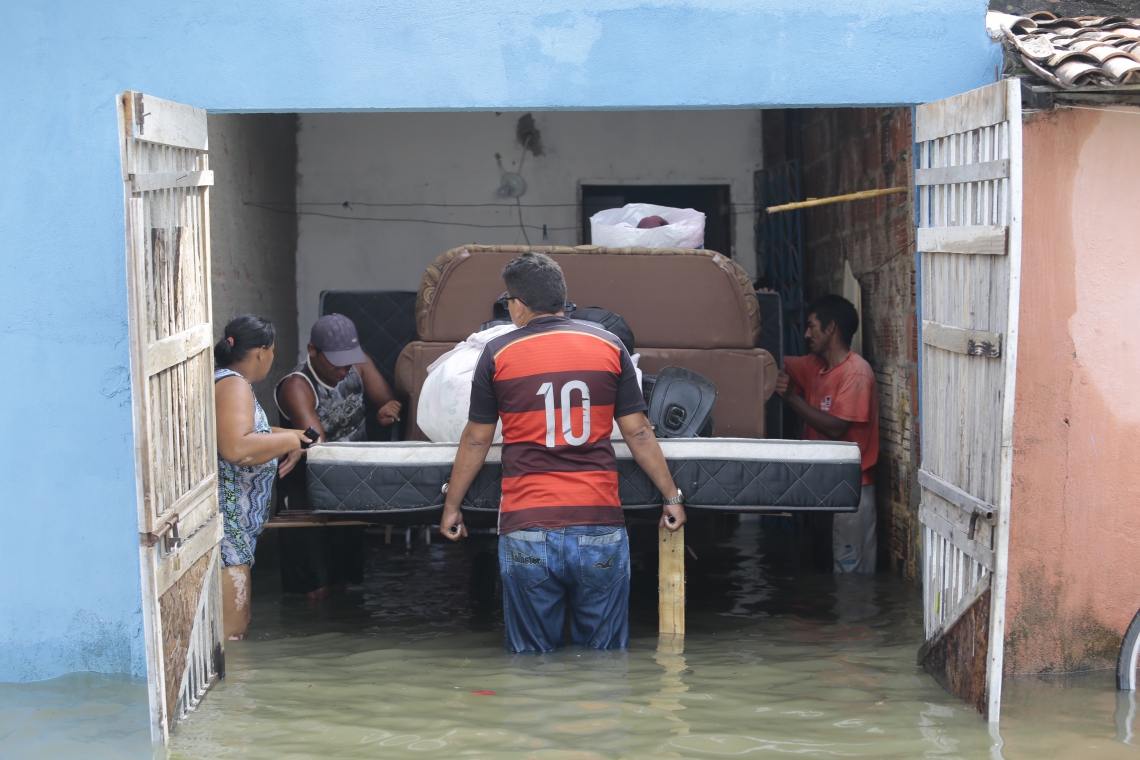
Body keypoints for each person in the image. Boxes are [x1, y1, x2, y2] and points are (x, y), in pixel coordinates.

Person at [440, 252, 685, 652]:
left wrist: (452, 506)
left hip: (528, 528)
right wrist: (671, 497)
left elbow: (476, 440)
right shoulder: (609, 345)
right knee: (605, 661)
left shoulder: (497, 354)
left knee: (532, 664)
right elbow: (639, 432)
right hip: (599, 526)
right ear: (561, 299)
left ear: (517, 305)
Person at [274, 313, 403, 598]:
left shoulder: (358, 363)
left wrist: (385, 411)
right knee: (313, 589)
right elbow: (321, 450)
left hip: (349, 484)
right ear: (312, 351)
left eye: (349, 360)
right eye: (335, 362)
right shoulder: (297, 386)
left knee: (344, 584)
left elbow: (388, 400)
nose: (345, 370)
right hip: (304, 489)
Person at [213, 314, 313, 639]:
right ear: (262, 351)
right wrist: (290, 441)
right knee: (233, 632)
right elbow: (235, 447)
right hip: (227, 526)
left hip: (235, 529)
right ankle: (233, 690)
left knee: (235, 628)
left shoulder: (230, 381)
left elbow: (253, 432)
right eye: (273, 351)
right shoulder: (234, 384)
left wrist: (291, 435)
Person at [776, 294, 879, 573]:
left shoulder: (856, 372)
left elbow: (836, 427)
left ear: (830, 328)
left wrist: (792, 399)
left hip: (851, 488)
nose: (807, 334)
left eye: (812, 326)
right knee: (828, 566)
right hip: (823, 486)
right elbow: (771, 359)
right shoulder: (815, 367)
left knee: (851, 574)